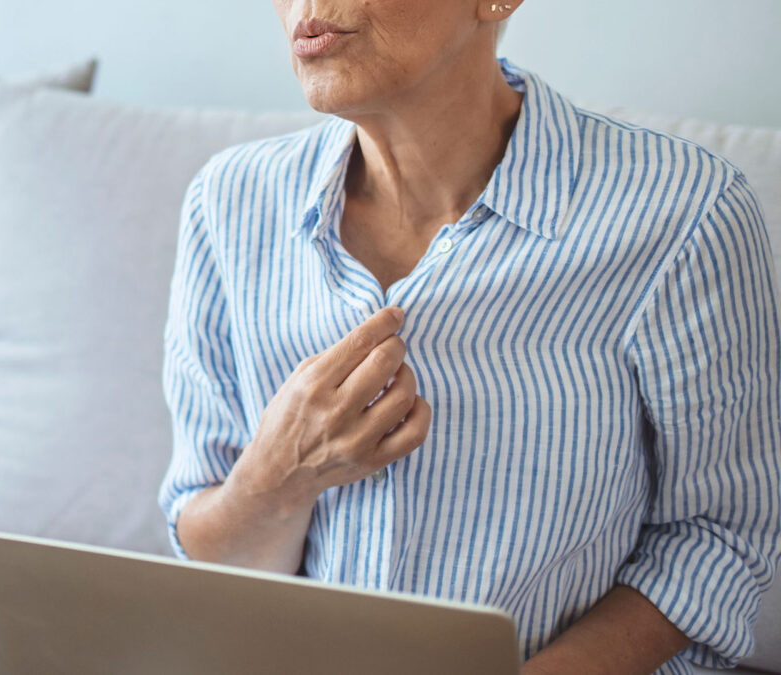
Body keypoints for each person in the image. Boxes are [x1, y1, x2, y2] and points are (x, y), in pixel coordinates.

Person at [157, 1, 781, 673]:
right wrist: (273, 482)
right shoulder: (228, 204)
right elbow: (206, 554)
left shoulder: (684, 213)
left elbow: (721, 536)